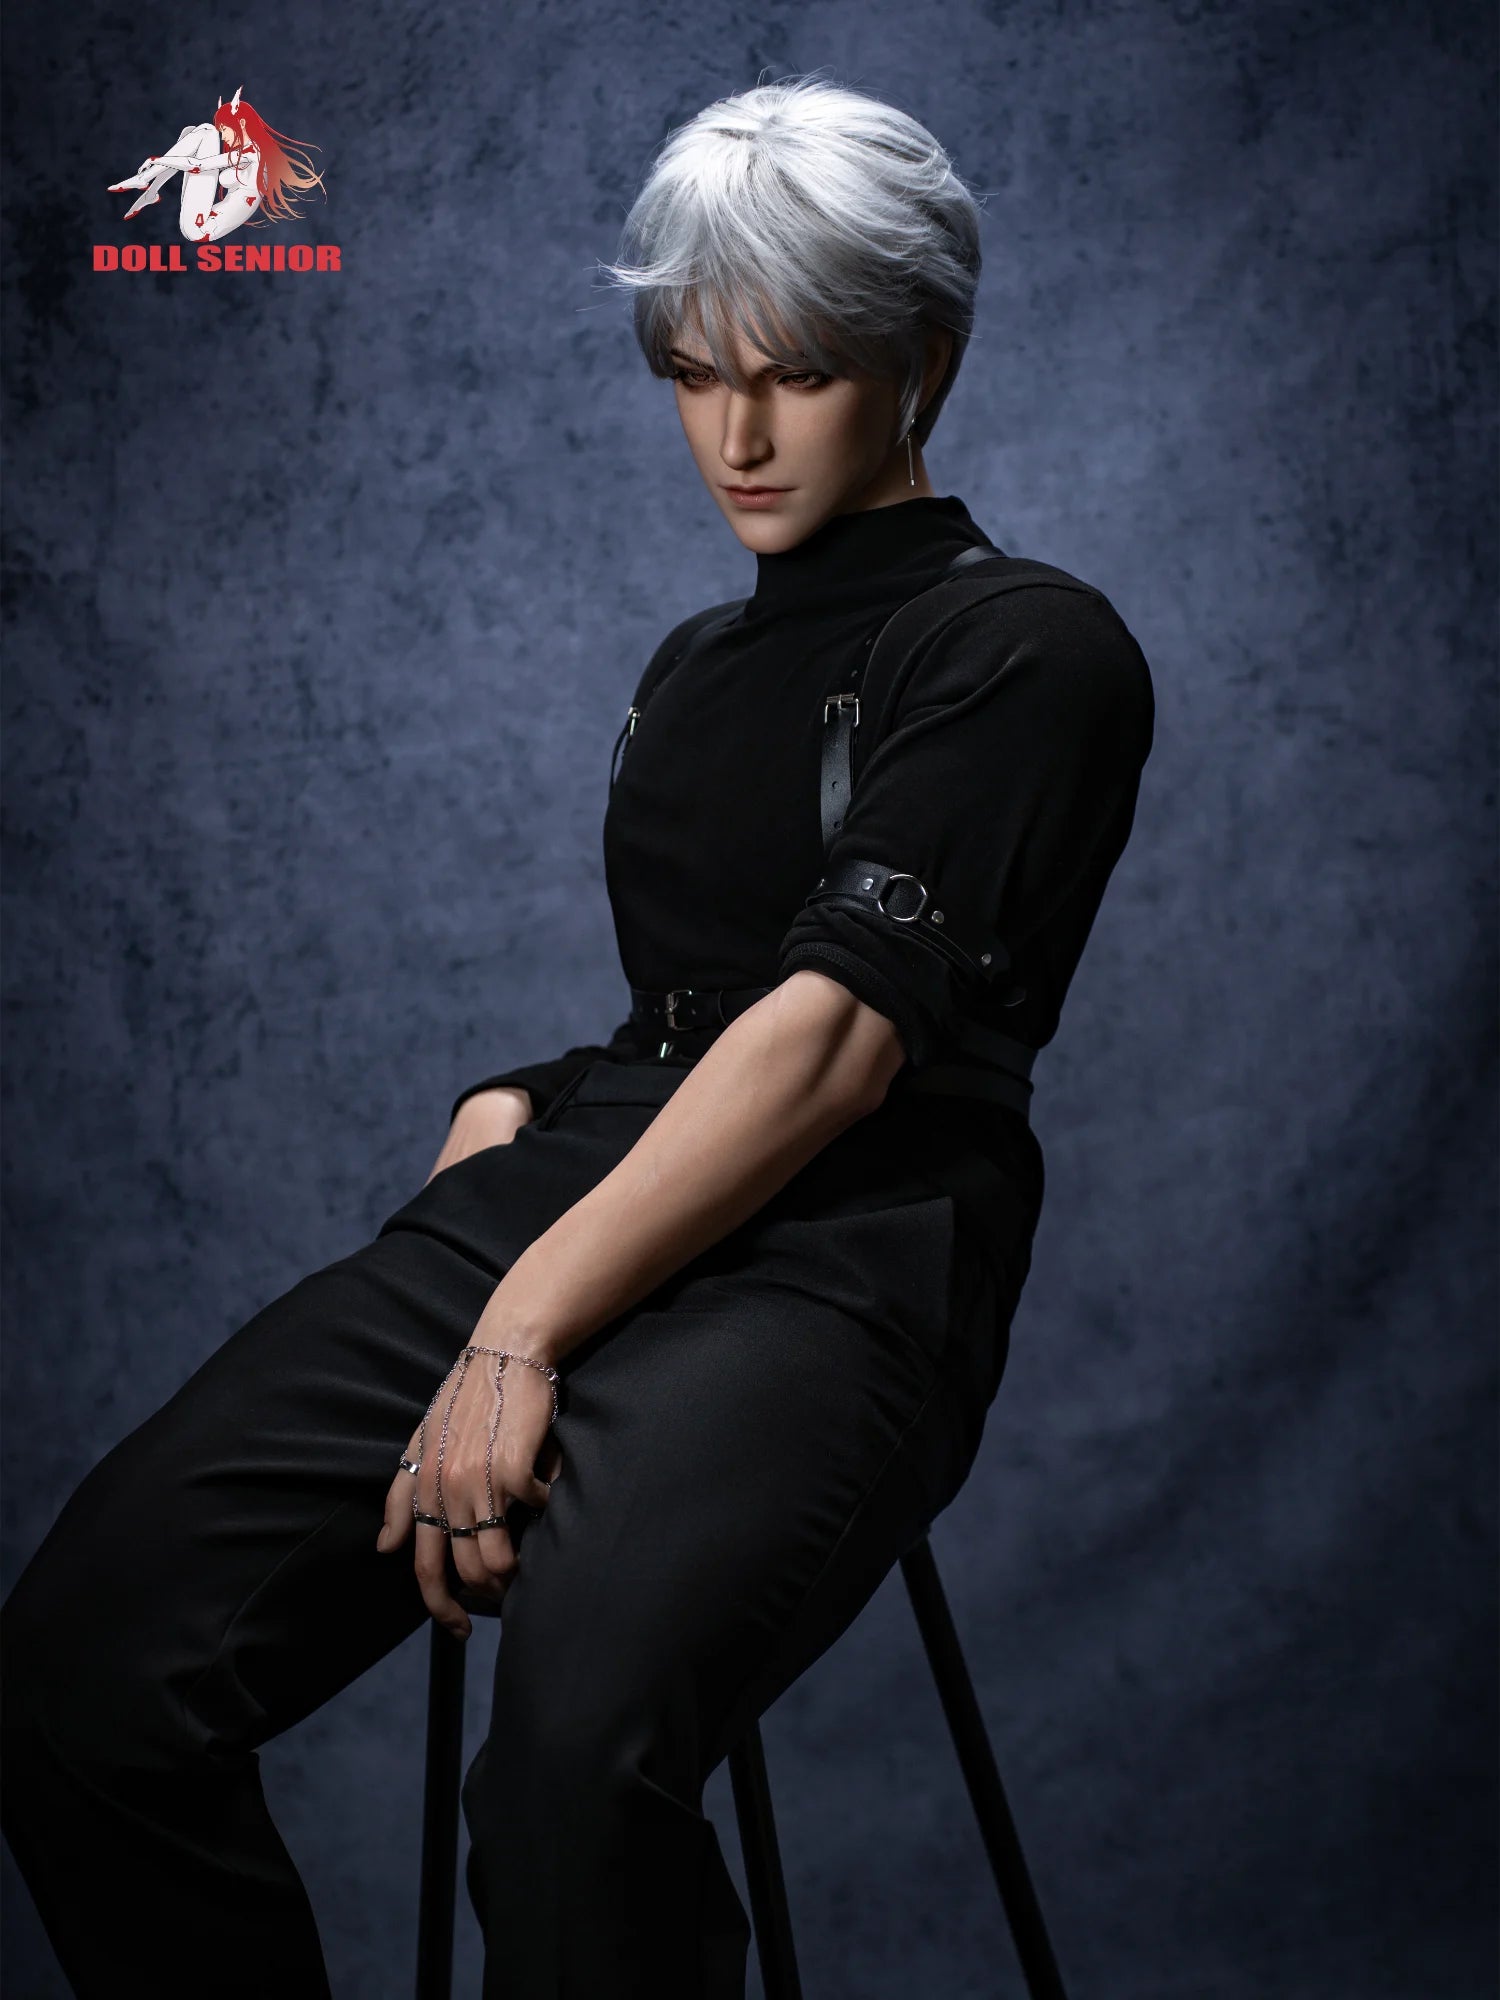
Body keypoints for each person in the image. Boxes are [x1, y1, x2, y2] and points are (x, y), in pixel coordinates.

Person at [1, 75, 1155, 1999]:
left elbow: (836, 1042)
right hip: (599, 1175)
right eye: (695, 374)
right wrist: (525, 1094)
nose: (737, 435)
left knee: (564, 1787)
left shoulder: (1034, 647)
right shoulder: (692, 667)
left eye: (796, 374)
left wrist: (519, 1324)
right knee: (83, 1674)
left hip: (845, 1253)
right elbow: (699, 1003)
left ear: (925, 362)